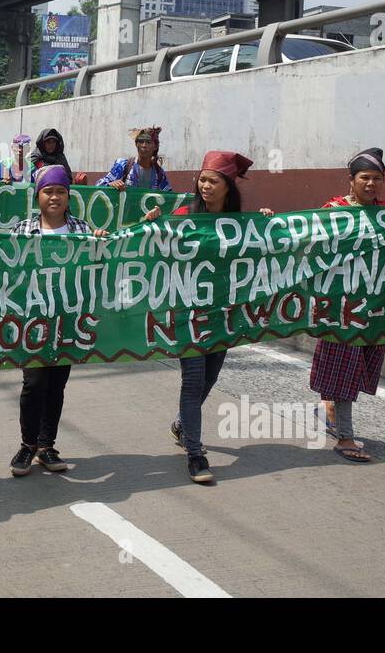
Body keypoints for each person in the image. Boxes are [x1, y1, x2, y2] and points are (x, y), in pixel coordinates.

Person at [143, 151, 272, 484]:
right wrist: (151, 226)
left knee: (211, 377)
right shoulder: (184, 216)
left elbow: (261, 249)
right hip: (188, 314)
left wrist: (268, 223)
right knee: (193, 379)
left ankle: (182, 425)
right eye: (202, 179)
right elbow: (153, 249)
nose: (205, 186)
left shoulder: (240, 224)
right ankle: (196, 455)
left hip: (224, 314)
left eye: (213, 181)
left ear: (228, 187)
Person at [7, 166, 109, 476]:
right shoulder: (22, 230)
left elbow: (98, 266)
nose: (54, 197)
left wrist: (100, 243)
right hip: (32, 320)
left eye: (61, 192)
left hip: (68, 319)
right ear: (37, 196)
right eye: (48, 192)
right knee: (34, 382)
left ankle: (46, 446)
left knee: (56, 384)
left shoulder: (81, 229)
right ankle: (27, 446)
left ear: (69, 195)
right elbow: (8, 271)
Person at [308, 148, 385, 463]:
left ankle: (329, 410)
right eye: (365, 177)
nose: (371, 184)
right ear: (351, 180)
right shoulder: (333, 211)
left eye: (377, 178)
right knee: (345, 366)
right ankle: (345, 437)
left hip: (374, 305)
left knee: (359, 362)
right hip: (339, 304)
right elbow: (310, 243)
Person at [97, 127, 172, 191]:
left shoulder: (159, 173)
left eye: (148, 142)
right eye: (141, 141)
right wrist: (111, 184)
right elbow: (98, 186)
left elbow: (168, 196)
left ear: (155, 147)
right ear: (136, 144)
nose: (144, 145)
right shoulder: (123, 165)